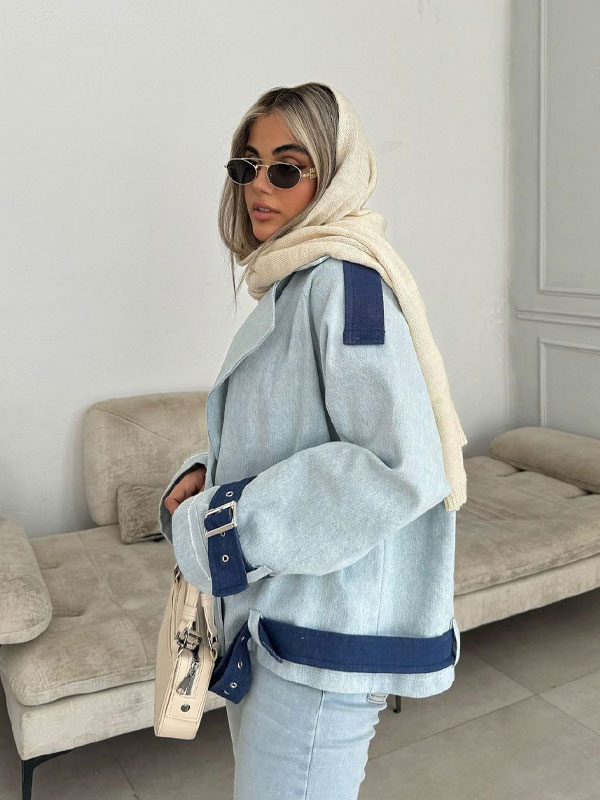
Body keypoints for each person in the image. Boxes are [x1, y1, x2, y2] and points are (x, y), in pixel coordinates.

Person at [160, 82, 467, 800]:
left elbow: (396, 464)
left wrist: (223, 529)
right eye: (248, 165)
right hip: (279, 623)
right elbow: (289, 430)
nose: (259, 186)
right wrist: (207, 471)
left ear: (334, 174)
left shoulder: (347, 286)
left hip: (320, 641)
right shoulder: (295, 280)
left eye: (286, 168)